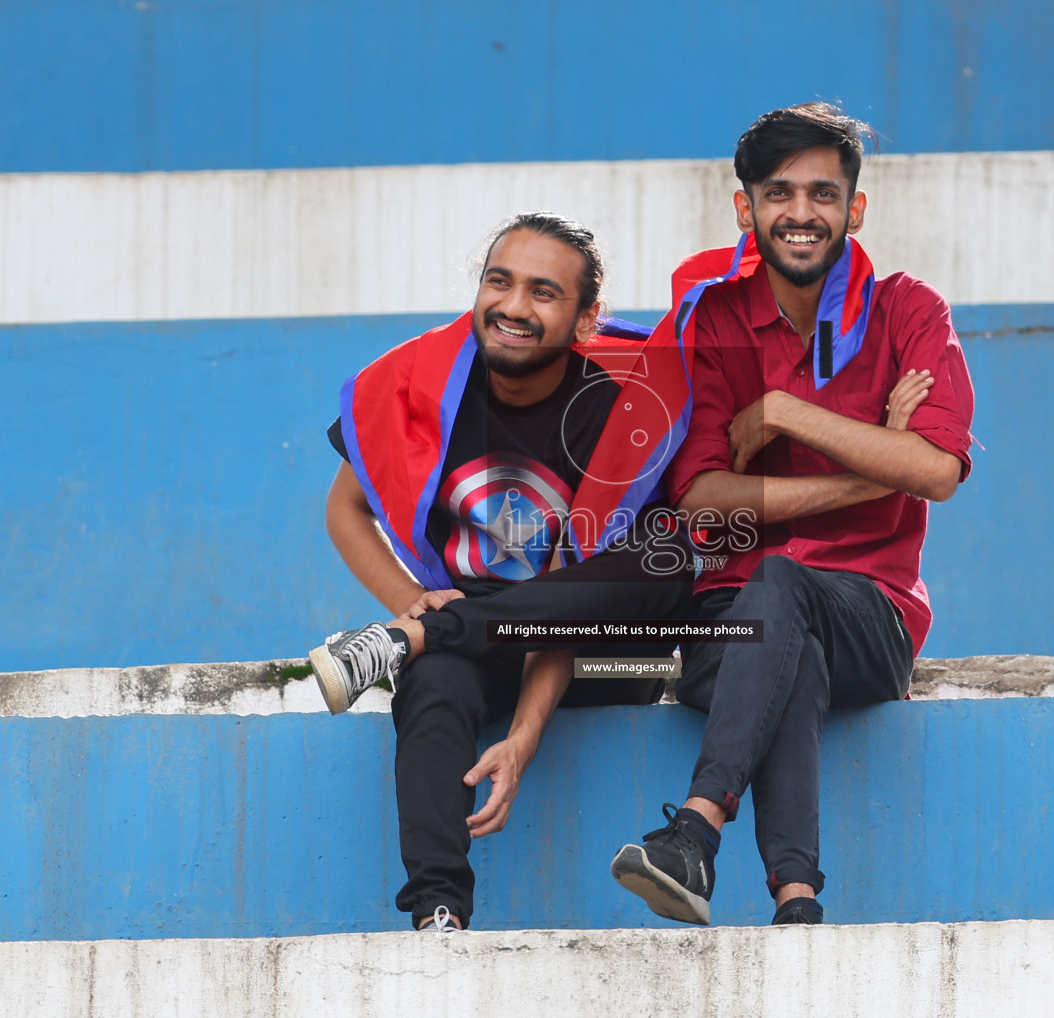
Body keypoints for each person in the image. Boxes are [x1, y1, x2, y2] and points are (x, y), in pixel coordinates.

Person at [609, 103, 976, 927]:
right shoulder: (711, 319)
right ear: (746, 208)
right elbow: (700, 498)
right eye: (780, 194)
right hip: (727, 632)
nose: (801, 214)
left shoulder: (907, 310)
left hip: (871, 618)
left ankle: (695, 830)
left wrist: (783, 411)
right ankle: (797, 899)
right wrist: (872, 466)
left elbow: (937, 469)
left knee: (787, 585)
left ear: (855, 207)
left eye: (822, 193)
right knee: (784, 632)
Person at [311, 212, 695, 932]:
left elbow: (573, 600)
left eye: (543, 292)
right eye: (499, 281)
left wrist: (523, 737)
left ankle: (414, 639)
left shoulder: (617, 406)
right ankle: (438, 911)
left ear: (586, 321)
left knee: (663, 555)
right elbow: (343, 509)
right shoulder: (418, 388)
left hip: (607, 652)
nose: (514, 307)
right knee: (433, 677)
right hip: (483, 633)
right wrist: (413, 603)